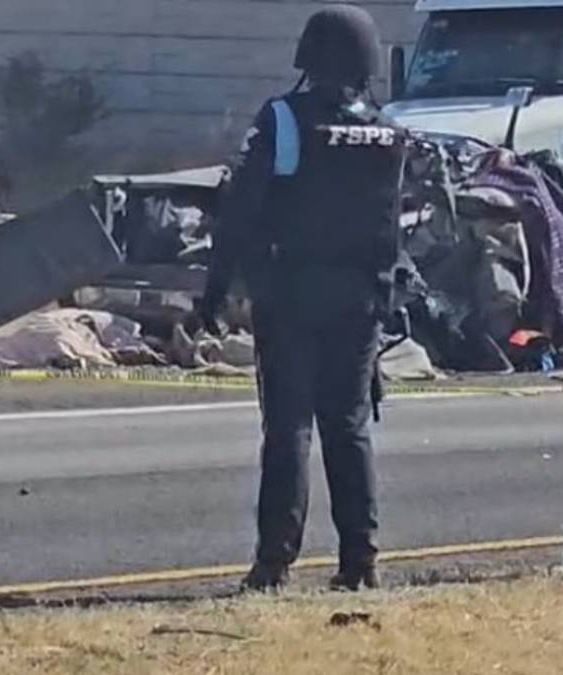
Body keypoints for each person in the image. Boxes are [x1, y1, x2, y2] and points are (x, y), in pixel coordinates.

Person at [199, 4, 407, 592]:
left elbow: (242, 211)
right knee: (350, 427)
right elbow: (391, 223)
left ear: (309, 57)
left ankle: (273, 565)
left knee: (289, 428)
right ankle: (360, 563)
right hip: (362, 299)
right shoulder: (388, 130)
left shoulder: (284, 121)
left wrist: (216, 289)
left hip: (291, 295)